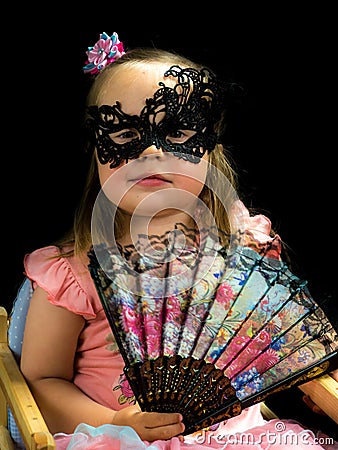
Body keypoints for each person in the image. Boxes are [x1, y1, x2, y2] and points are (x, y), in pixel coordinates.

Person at [19, 31, 338, 450]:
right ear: (94, 152)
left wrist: (314, 380)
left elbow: (283, 341)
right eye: (124, 135)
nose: (151, 152)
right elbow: (42, 380)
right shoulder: (75, 271)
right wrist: (117, 420)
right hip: (120, 439)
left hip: (241, 438)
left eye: (178, 134)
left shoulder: (241, 248)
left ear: (211, 150)